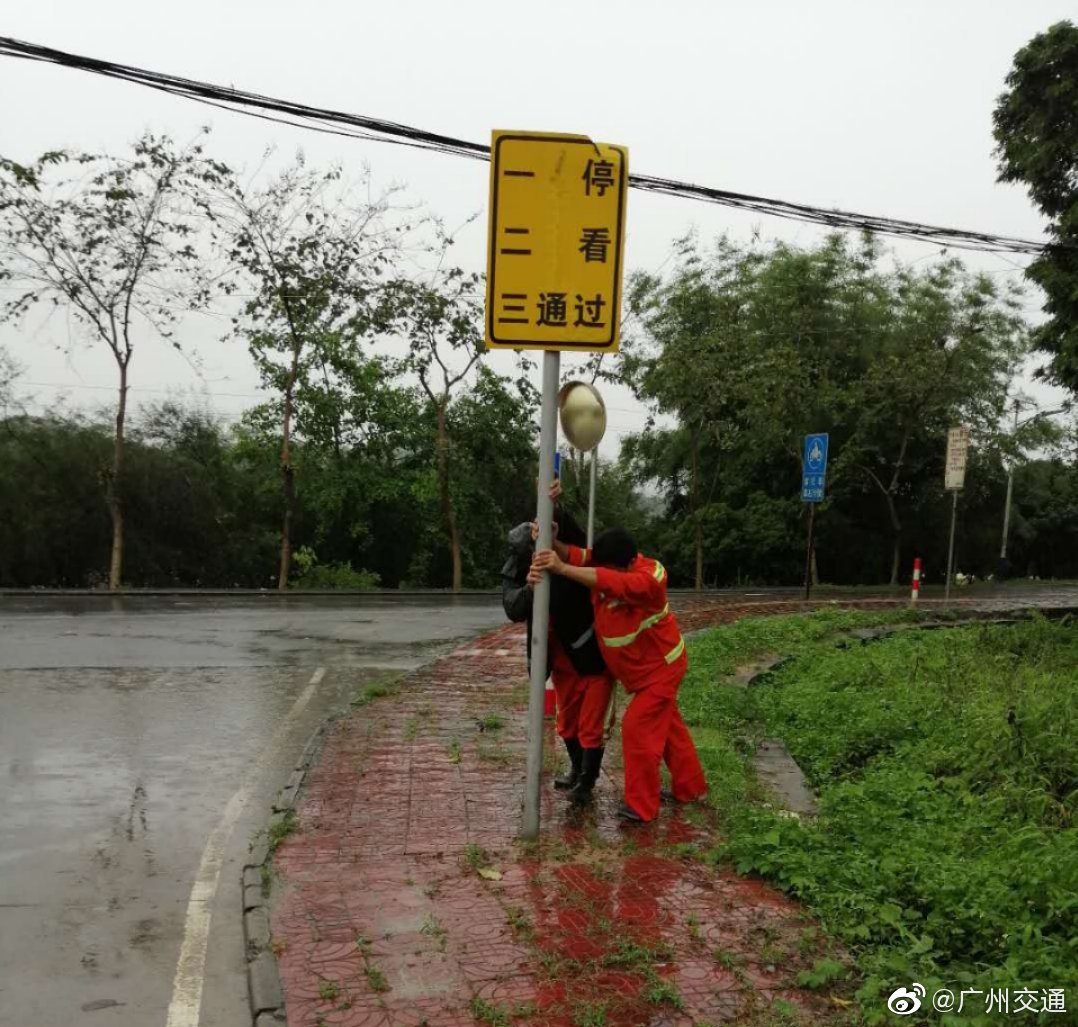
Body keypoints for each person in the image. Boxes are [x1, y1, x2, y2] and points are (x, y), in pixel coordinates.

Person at [530, 527, 707, 823]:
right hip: (642, 675)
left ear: (626, 563)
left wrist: (562, 568)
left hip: (661, 671)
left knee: (637, 728)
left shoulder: (649, 578)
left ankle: (641, 806)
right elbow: (584, 557)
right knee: (670, 730)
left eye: (605, 567)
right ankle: (691, 788)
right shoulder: (609, 561)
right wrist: (554, 544)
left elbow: (616, 582)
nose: (598, 570)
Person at [502, 481, 613, 802]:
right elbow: (512, 607)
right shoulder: (521, 568)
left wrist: (554, 506)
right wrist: (529, 588)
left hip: (590, 657)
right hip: (558, 661)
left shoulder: (567, 555)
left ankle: (586, 784)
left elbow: (578, 541)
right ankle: (577, 770)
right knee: (566, 724)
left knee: (590, 724)